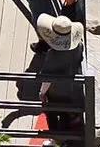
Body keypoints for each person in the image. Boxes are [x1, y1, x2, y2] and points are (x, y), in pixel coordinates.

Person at [34, 13, 85, 142]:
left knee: (51, 112)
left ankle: (55, 138)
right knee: (68, 114)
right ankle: (67, 139)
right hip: (74, 87)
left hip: (57, 92)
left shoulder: (54, 55)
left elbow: (47, 78)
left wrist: (42, 93)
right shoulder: (78, 46)